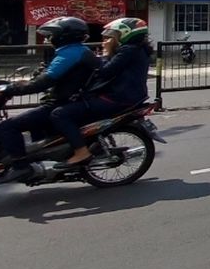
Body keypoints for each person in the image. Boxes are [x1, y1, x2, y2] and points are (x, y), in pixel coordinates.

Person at [0, 16, 99, 182]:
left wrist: (8, 90)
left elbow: (44, 82)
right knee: (34, 129)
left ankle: (21, 167)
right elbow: (47, 77)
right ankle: (41, 165)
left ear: (63, 36)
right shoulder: (76, 51)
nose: (49, 39)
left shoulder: (70, 54)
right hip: (67, 100)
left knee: (7, 127)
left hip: (61, 103)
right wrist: (15, 84)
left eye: (51, 36)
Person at [46, 17, 153, 169]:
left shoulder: (129, 50)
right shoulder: (136, 49)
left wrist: (100, 55)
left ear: (125, 34)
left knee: (60, 114)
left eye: (111, 37)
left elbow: (105, 71)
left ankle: (81, 152)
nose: (106, 40)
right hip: (125, 96)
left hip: (118, 98)